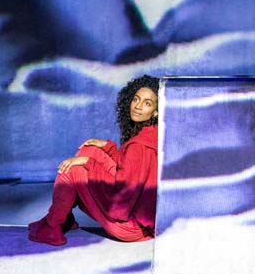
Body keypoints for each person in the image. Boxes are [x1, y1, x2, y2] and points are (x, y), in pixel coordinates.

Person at [28, 75, 160, 246]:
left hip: (128, 226)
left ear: (155, 112)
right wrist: (107, 147)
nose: (138, 106)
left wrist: (88, 163)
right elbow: (132, 167)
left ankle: (53, 226)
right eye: (136, 99)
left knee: (71, 170)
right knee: (90, 150)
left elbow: (122, 197)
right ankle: (63, 217)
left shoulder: (138, 146)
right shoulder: (152, 134)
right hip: (140, 220)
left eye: (147, 103)